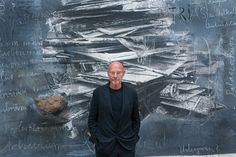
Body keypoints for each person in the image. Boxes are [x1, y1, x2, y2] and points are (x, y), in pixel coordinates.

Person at [88, 61, 140, 157]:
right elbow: (92, 119)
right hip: (104, 146)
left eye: (118, 72)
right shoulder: (98, 93)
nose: (115, 76)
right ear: (108, 73)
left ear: (123, 73)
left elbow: (136, 119)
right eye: (112, 72)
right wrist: (97, 139)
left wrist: (133, 138)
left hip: (127, 145)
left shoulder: (132, 93)